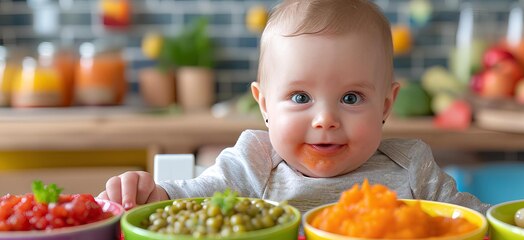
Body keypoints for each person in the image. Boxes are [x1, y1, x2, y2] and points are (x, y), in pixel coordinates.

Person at [98, 0, 489, 214]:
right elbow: (192, 198)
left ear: (386, 105)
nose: (325, 120)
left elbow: (479, 223)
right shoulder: (253, 164)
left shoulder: (413, 168)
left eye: (351, 98)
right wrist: (151, 193)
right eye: (301, 98)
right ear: (264, 104)